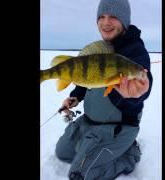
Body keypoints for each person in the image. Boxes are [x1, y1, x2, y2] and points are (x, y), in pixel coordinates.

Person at [55, 0, 153, 179]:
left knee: (82, 174)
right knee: (63, 152)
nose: (106, 22)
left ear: (124, 21)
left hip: (118, 127)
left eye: (113, 17)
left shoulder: (134, 51)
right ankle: (93, 147)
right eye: (101, 17)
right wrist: (76, 96)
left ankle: (129, 154)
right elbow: (89, 79)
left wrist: (138, 93)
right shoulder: (101, 49)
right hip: (90, 122)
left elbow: (143, 80)